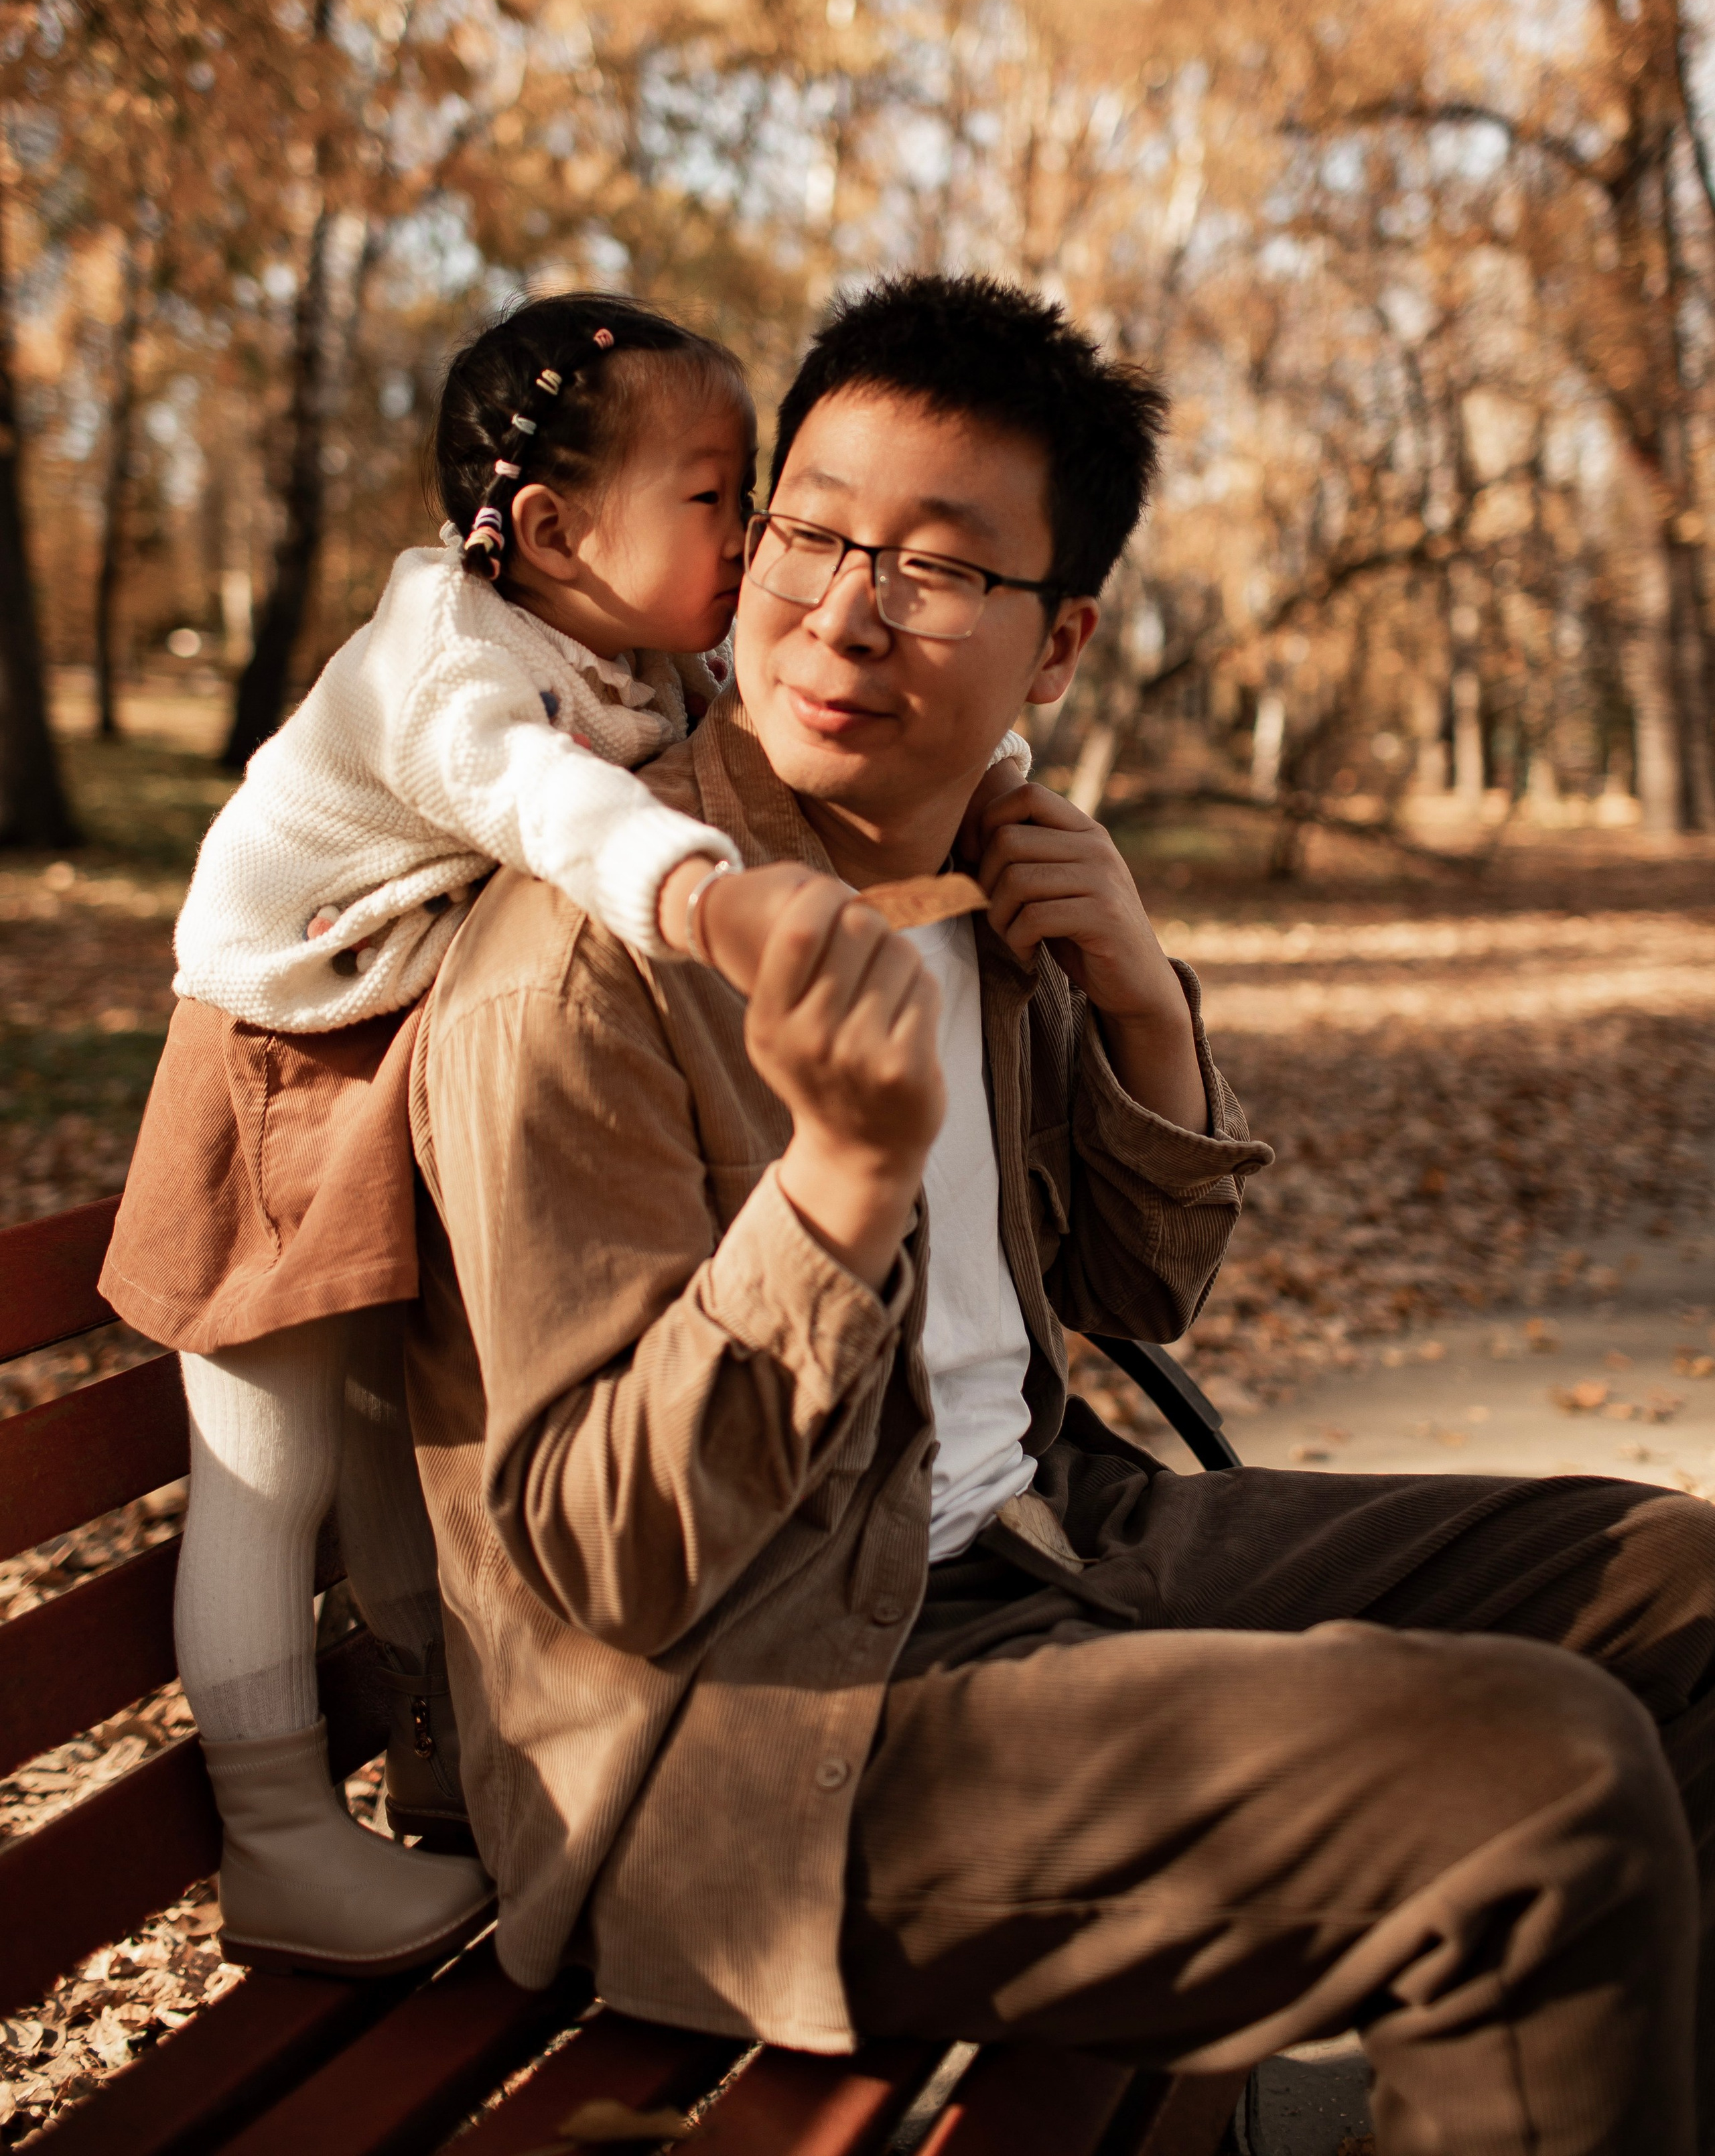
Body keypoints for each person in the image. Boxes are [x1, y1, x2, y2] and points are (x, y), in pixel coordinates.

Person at [407, 273, 1715, 2155]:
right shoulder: (593, 964)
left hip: (1058, 1549)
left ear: (1060, 644)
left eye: (935, 566)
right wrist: (836, 1192)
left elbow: (1140, 1292)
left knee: (1680, 1592)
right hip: (757, 1743)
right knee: (1535, 1792)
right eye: (810, 532)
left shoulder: (984, 888)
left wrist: (1141, 1009)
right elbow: (605, 1559)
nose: (843, 612)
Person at [100, 291, 898, 1978]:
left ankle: (452, 1767)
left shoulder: (634, 646)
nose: (750, 530)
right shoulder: (443, 662)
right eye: (714, 493)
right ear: (547, 528)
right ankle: (274, 1838)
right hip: (271, 1059)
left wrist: (979, 753)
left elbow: (750, 742)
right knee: (271, 1468)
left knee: (396, 1446)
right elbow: (554, 807)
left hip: (397, 1050)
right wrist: (710, 900)